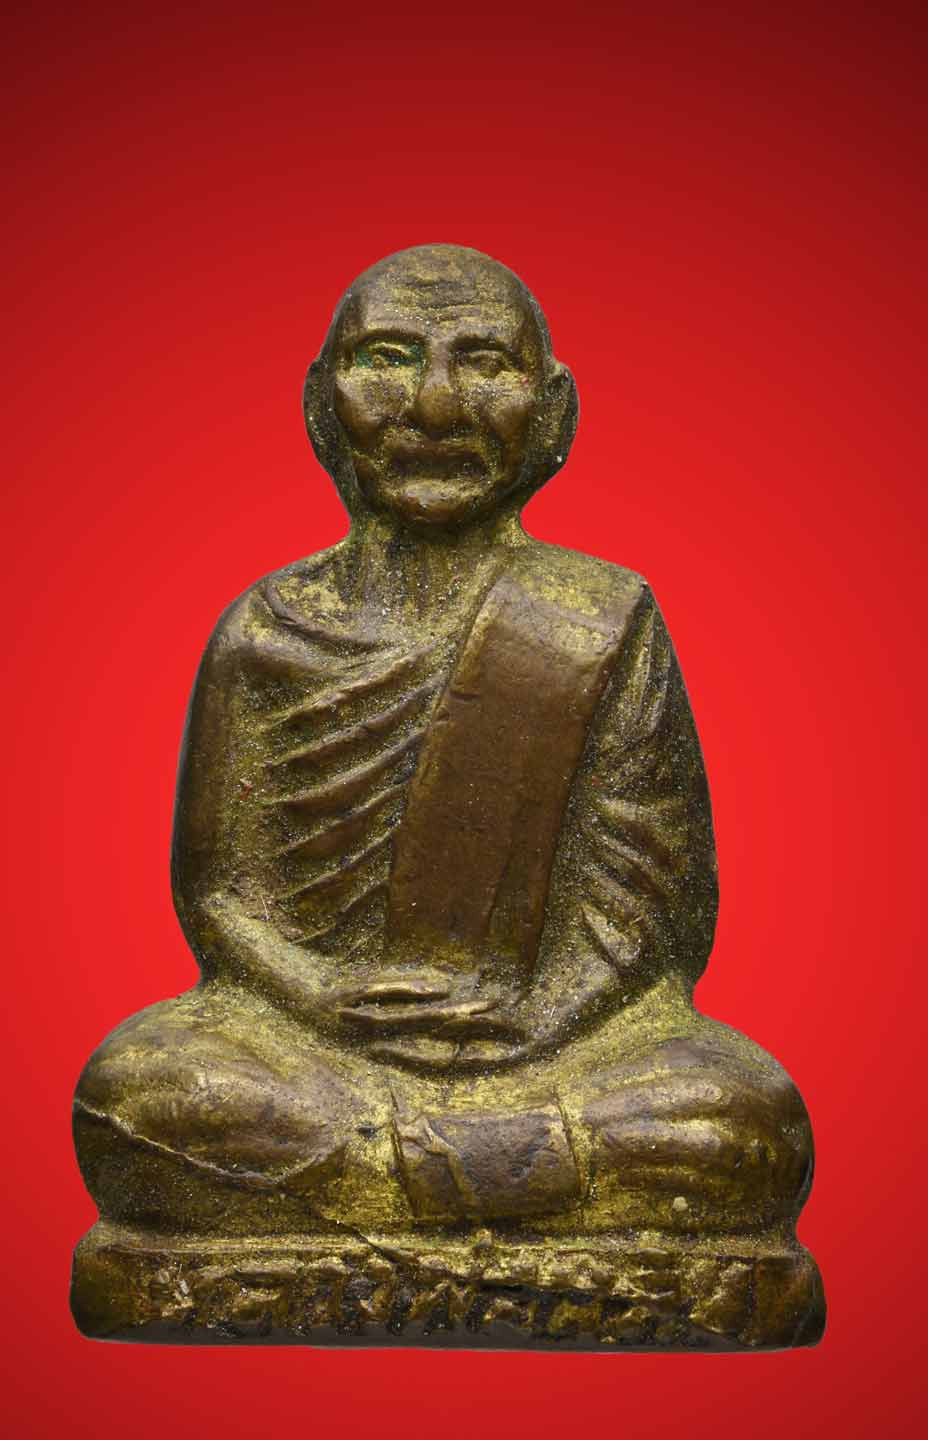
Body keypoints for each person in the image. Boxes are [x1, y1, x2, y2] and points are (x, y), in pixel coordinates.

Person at [73, 246, 820, 1345]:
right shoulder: (266, 631)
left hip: (553, 1046)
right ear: (321, 404)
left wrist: (533, 1023)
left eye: (484, 363)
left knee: (744, 1119)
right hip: (313, 1043)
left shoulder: (598, 617)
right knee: (141, 1092)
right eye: (388, 358)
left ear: (553, 412)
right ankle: (495, 1181)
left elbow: (655, 918)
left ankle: (377, 1182)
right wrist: (322, 999)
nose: (433, 405)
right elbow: (220, 897)